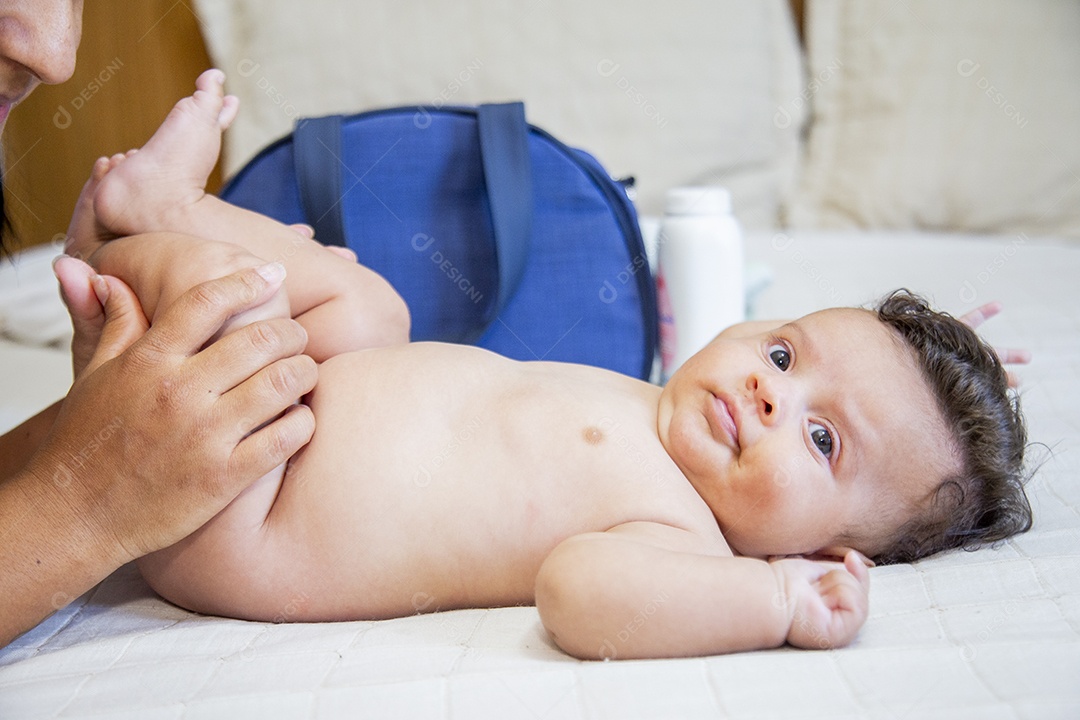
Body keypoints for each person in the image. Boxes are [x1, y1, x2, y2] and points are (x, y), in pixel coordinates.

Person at [65, 71, 1033, 660]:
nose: (771, 394)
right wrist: (944, 363)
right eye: (783, 355)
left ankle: (123, 253)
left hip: (244, 513)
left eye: (823, 440)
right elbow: (868, 390)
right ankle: (168, 211)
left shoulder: (684, 539)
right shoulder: (659, 402)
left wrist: (775, 605)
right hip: (293, 402)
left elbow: (579, 597)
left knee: (246, 310)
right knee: (372, 307)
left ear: (823, 554)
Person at [0, 2, 402, 649]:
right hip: (254, 535)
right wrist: (84, 502)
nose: (56, 56)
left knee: (362, 313)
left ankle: (145, 224)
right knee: (261, 296)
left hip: (289, 480)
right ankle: (154, 216)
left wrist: (102, 420)